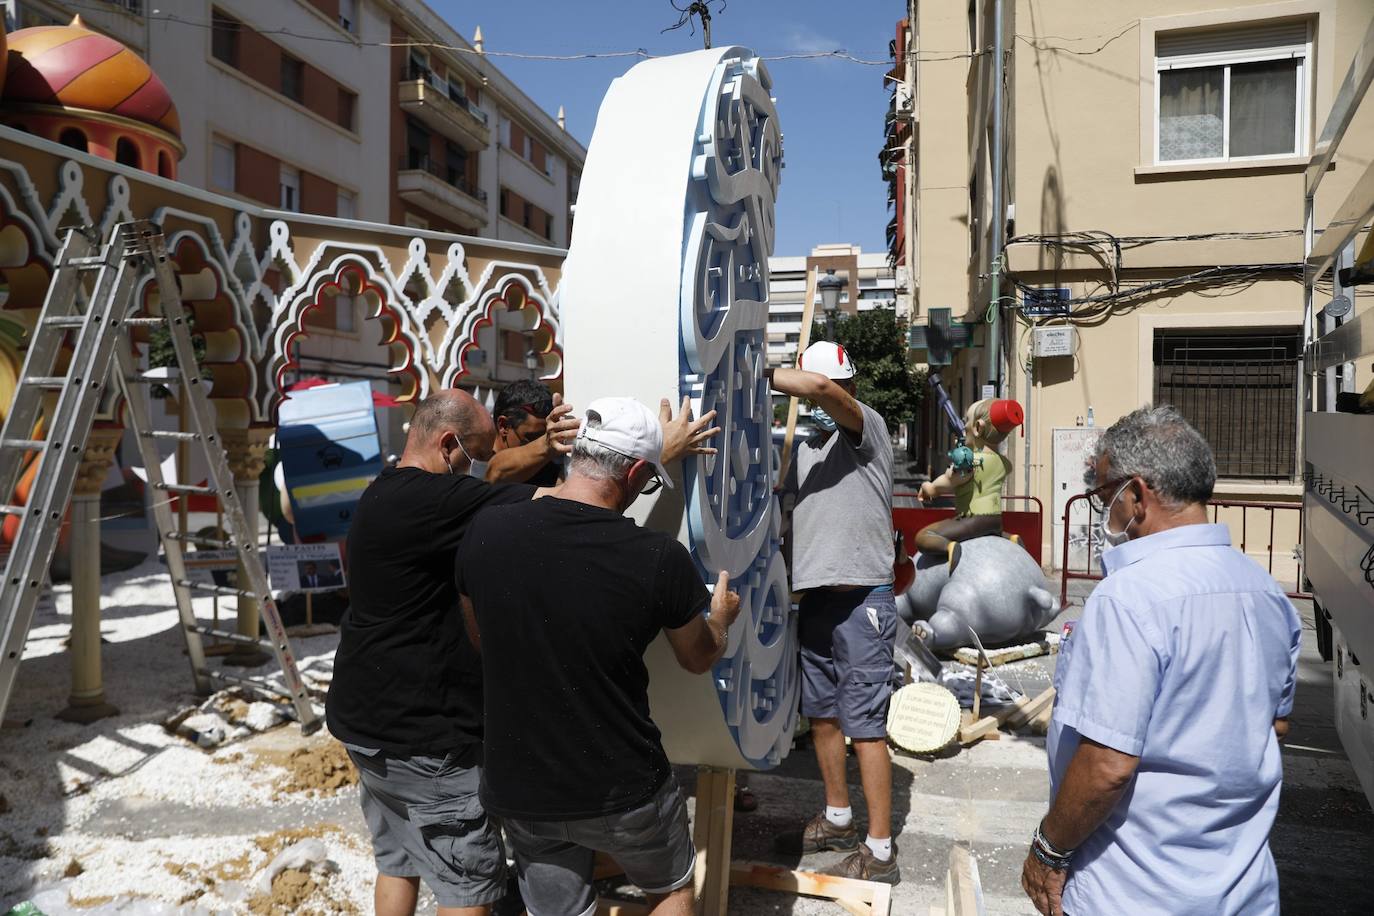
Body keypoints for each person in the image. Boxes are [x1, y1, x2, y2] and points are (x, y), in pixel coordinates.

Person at [327, 389, 717, 916]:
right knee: (467, 887)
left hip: (365, 724)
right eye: (480, 453)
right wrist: (654, 457)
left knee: (400, 861)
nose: (487, 466)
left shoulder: (384, 493)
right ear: (447, 446)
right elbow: (562, 503)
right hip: (425, 736)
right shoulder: (443, 504)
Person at [457, 397, 741, 916]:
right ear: (635, 472)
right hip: (622, 787)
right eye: (648, 480)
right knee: (673, 891)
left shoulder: (487, 529)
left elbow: (480, 635)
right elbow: (697, 659)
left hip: (520, 786)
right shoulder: (657, 559)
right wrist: (718, 621)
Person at [1020, 405, 1301, 916]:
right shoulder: (1266, 591)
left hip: (1134, 889)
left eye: (1105, 495)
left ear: (1136, 495)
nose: (1104, 509)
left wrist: (1048, 849)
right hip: (1242, 888)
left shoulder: (1128, 598)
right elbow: (1275, 725)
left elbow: (1107, 765)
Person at [768, 340, 899, 885]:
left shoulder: (865, 429)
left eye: (834, 389)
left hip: (863, 599)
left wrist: (760, 370)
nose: (830, 398)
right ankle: (840, 819)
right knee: (822, 716)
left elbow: (822, 389)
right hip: (817, 598)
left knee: (865, 726)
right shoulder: (803, 451)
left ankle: (881, 851)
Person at [916, 398, 1022, 570]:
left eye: (966, 420)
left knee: (924, 536)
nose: (964, 425)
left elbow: (945, 483)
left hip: (972, 520)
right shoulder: (1004, 463)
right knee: (992, 530)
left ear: (978, 427)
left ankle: (949, 547)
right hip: (995, 521)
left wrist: (929, 488)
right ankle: (1010, 539)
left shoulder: (971, 463)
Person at [485, 379, 568, 487]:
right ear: (503, 426)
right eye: (533, 438)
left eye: (545, 435)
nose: (543, 441)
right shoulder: (475, 462)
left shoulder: (546, 468)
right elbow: (495, 472)